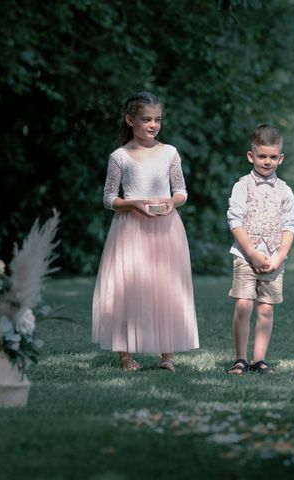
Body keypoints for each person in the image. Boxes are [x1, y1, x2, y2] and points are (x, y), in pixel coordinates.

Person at [92, 91, 199, 372]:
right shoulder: (120, 157)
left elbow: (181, 191)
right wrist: (132, 204)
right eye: (146, 119)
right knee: (128, 288)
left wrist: (171, 203)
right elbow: (108, 197)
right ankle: (126, 357)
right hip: (131, 229)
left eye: (158, 120)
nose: (153, 125)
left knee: (166, 288)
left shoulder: (169, 153)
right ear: (130, 120)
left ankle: (167, 356)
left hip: (166, 228)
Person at [225, 124, 294, 375]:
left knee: (266, 308)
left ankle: (259, 360)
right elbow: (234, 221)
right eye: (262, 156)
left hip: (273, 259)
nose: (267, 161)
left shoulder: (285, 191)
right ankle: (240, 359)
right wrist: (252, 253)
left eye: (272, 157)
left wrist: (279, 257)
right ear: (251, 156)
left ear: (280, 158)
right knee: (243, 305)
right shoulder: (242, 186)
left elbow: (289, 226)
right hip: (246, 256)